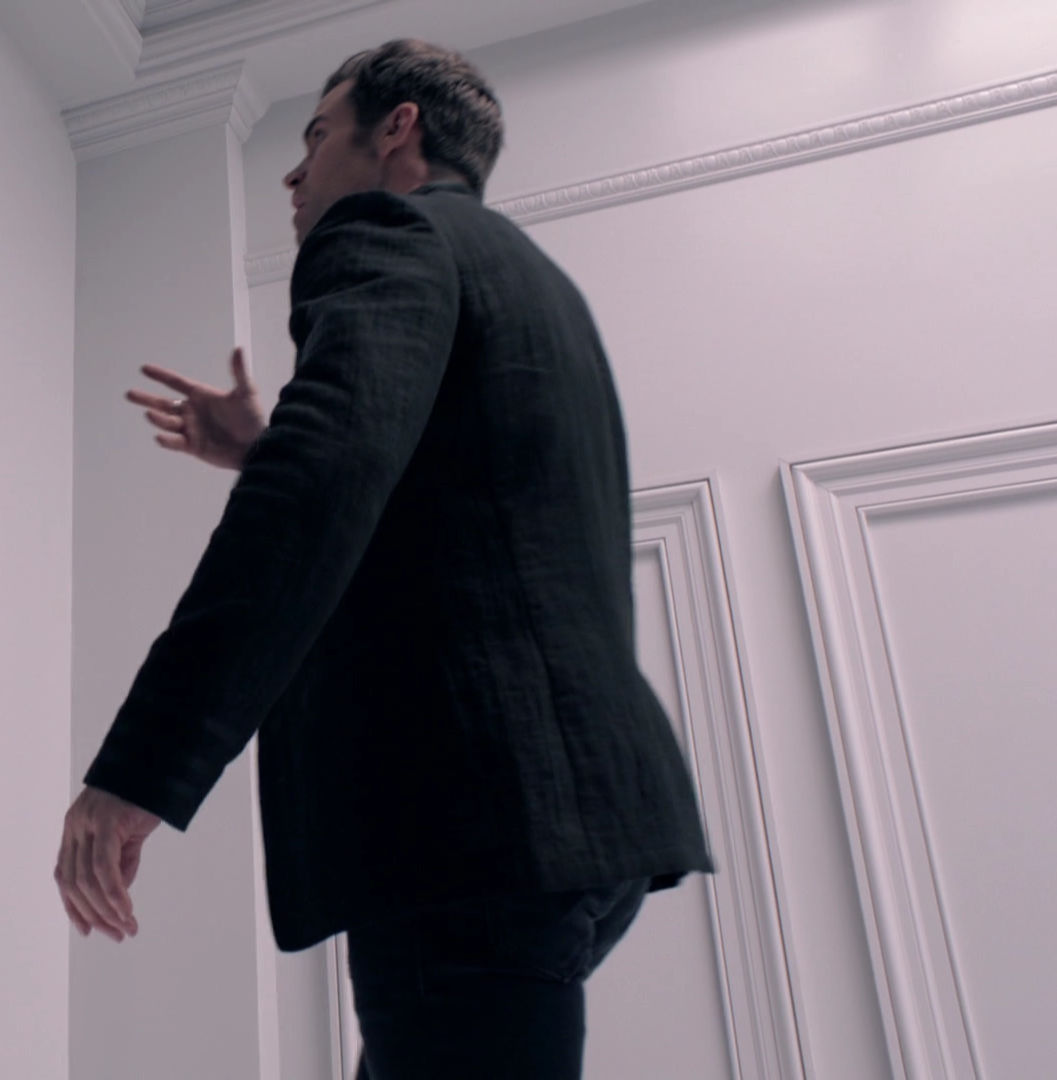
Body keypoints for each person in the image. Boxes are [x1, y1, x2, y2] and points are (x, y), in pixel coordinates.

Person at [53, 37, 713, 1079]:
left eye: (316, 135)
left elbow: (313, 493)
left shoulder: (384, 231)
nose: (293, 173)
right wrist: (268, 446)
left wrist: (136, 773)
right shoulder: (535, 281)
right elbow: (457, 503)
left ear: (398, 128)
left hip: (470, 829)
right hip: (576, 823)